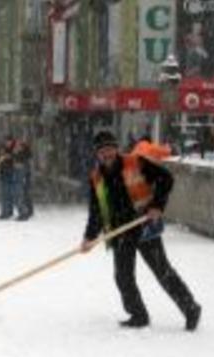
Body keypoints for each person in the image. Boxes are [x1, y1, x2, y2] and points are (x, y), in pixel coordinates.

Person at [80, 131, 201, 331]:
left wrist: (156, 206)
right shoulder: (97, 179)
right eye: (102, 151)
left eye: (109, 149)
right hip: (119, 232)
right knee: (123, 276)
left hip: (144, 227)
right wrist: (89, 237)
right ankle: (138, 315)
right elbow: (96, 212)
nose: (106, 154)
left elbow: (166, 179)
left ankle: (191, 309)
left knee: (162, 271)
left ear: (116, 148)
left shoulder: (135, 162)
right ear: (97, 154)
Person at [12, 138, 34, 220]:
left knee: (20, 195)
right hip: (22, 177)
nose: (16, 147)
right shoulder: (21, 154)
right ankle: (28, 211)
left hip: (21, 177)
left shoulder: (24, 155)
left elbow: (22, 165)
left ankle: (24, 213)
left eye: (18, 145)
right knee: (25, 194)